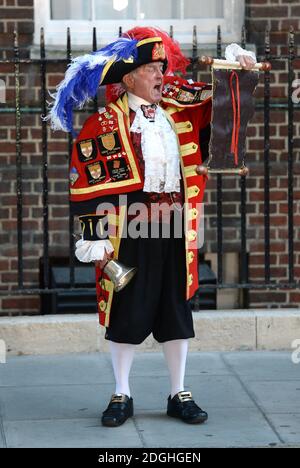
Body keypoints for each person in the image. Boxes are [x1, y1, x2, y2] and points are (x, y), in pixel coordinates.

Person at [48, 27, 256, 427]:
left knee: (176, 309)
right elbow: (88, 182)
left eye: (162, 66)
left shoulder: (178, 109)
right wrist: (93, 238)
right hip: (130, 229)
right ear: (129, 78)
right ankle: (121, 393)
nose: (162, 74)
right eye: (151, 68)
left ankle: (179, 392)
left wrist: (237, 69)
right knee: (127, 309)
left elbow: (223, 105)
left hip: (176, 227)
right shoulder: (106, 122)